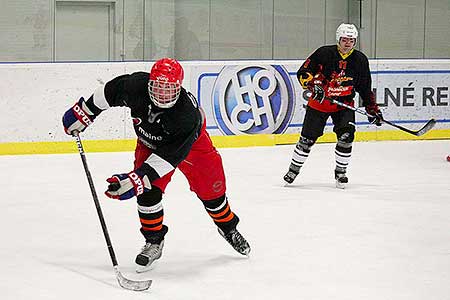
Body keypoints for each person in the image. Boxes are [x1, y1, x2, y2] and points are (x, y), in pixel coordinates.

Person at [62, 58, 250, 272]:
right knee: (148, 193)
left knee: (212, 194)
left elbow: (169, 157)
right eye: (158, 87)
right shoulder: (136, 86)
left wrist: (136, 179)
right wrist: (85, 111)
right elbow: (109, 92)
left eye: (168, 89)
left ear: (178, 88)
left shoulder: (186, 117)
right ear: (150, 83)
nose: (162, 94)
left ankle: (227, 228)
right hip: (148, 143)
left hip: (192, 147)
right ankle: (154, 241)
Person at [283, 23, 383, 189]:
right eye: (344, 39)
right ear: (338, 39)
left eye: (351, 40)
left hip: (344, 105)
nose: (347, 43)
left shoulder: (360, 60)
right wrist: (312, 86)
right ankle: (293, 170)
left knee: (346, 137)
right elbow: (303, 72)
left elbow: (365, 87)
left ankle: (341, 172)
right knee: (306, 140)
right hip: (319, 104)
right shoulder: (324, 53)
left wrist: (372, 109)